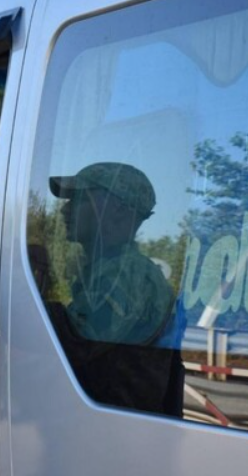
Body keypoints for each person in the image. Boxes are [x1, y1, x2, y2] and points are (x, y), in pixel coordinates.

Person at [47, 162, 184, 416]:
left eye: (79, 199)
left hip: (118, 435)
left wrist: (35, 283)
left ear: (118, 211)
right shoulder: (112, 270)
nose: (64, 210)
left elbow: (69, 346)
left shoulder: (126, 275)